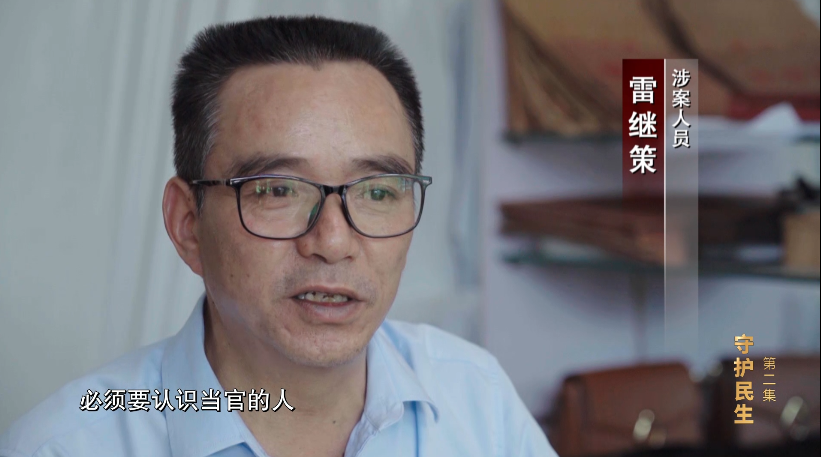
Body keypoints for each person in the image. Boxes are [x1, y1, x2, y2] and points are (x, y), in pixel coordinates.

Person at [0, 16, 556, 457]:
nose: (333, 242)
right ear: (187, 224)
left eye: (377, 191)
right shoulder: (68, 445)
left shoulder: (475, 401)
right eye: (278, 190)